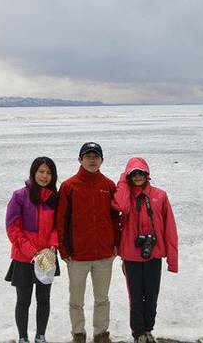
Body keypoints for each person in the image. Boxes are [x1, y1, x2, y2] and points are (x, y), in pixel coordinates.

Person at [56, 142, 119, 343]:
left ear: (102, 160)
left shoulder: (109, 185)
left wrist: (116, 244)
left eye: (96, 156)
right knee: (76, 299)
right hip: (77, 255)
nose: (92, 160)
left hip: (104, 254)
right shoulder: (69, 186)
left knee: (102, 298)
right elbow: (61, 220)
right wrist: (63, 250)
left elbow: (115, 218)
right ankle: (78, 333)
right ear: (80, 159)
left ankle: (101, 333)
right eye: (88, 156)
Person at [112, 157, 178, 343]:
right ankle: (138, 333)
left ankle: (148, 329)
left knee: (151, 295)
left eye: (141, 173)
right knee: (135, 297)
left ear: (147, 174)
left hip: (154, 254)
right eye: (133, 174)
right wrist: (123, 181)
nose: (137, 176)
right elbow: (120, 206)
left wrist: (172, 260)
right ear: (129, 176)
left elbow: (170, 228)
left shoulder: (160, 195)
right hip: (131, 255)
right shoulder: (125, 195)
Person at [5, 157, 61, 343]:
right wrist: (32, 252)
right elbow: (12, 228)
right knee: (23, 300)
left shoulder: (54, 198)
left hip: (47, 256)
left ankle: (40, 336)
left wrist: (52, 246)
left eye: (49, 172)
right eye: (41, 171)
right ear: (33, 173)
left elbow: (58, 226)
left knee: (44, 299)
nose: (45, 176)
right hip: (24, 257)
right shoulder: (19, 196)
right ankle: (23, 337)